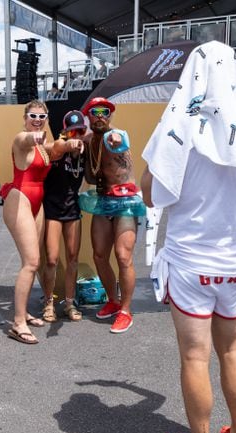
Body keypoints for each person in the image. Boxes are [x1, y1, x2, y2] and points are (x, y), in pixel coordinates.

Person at [141, 41, 236, 433]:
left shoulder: (178, 124)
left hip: (189, 261)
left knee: (195, 358)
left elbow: (149, 191)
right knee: (233, 349)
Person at [1, 100, 84, 344]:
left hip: (37, 203)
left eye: (42, 116)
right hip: (20, 199)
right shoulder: (22, 138)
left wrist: (71, 143)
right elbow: (26, 141)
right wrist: (35, 138)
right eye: (33, 116)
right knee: (32, 262)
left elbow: (56, 147)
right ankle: (18, 324)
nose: (37, 119)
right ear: (25, 118)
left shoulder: (44, 146)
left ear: (47, 118)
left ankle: (23, 311)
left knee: (31, 262)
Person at [79, 97, 145, 334]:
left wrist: (117, 139)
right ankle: (113, 301)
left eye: (105, 111)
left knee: (123, 255)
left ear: (110, 115)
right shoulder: (87, 141)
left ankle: (126, 311)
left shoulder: (115, 135)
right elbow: (89, 175)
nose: (100, 115)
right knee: (99, 255)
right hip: (103, 201)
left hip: (125, 201)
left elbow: (119, 140)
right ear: (88, 115)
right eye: (95, 111)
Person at [41, 110, 88, 322]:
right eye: (71, 132)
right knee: (51, 260)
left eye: (79, 131)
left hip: (73, 209)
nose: (75, 136)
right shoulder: (59, 149)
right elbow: (49, 147)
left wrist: (83, 140)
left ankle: (69, 303)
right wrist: (67, 144)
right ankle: (49, 302)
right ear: (64, 132)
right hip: (52, 209)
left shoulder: (86, 151)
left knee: (72, 258)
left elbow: (96, 136)